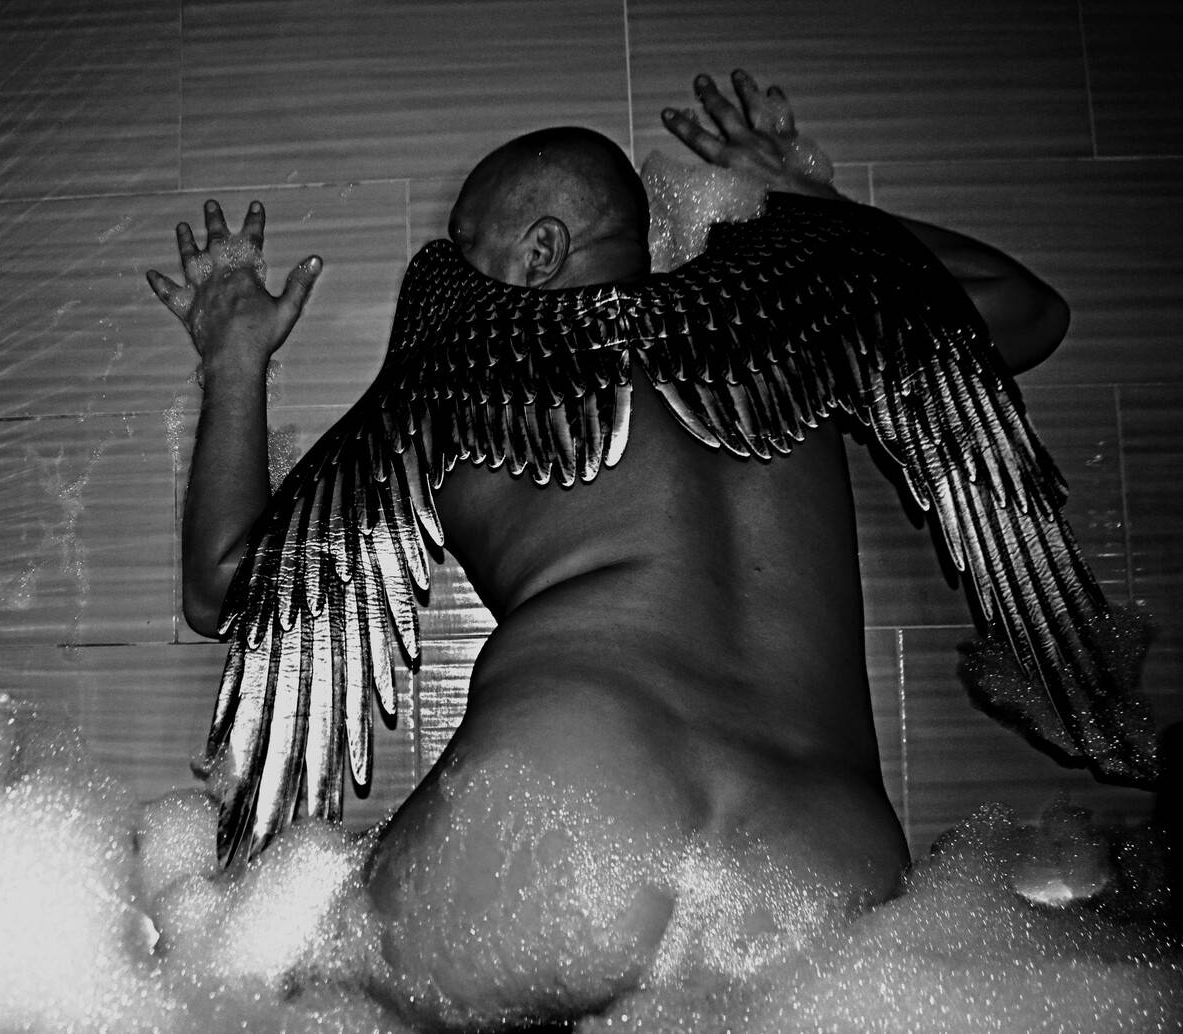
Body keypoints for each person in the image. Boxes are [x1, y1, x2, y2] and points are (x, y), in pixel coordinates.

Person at [149, 71, 1083, 1031]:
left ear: (539, 253)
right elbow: (1028, 311)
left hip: (571, 799)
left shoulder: (467, 367)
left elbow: (223, 585)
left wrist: (235, 354)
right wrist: (816, 206)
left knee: (269, 992)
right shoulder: (792, 327)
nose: (454, 273)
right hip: (826, 859)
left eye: (468, 246)